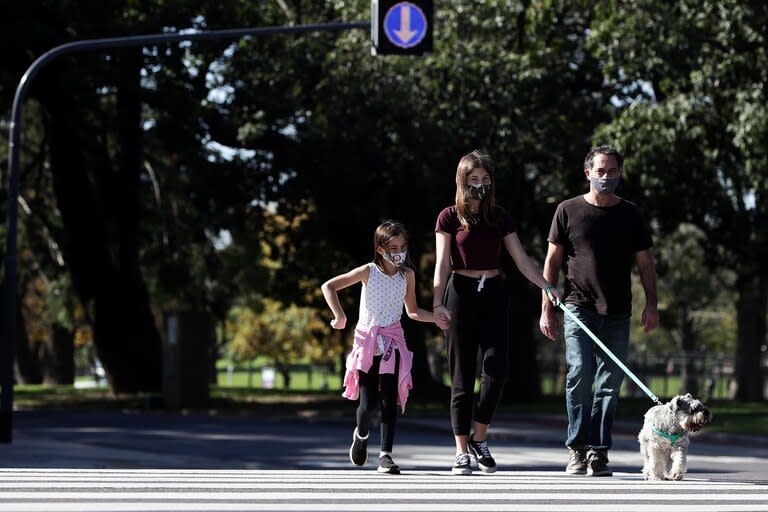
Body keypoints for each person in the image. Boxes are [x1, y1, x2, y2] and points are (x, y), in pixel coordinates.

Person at [433, 149, 560, 475]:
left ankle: (480, 437)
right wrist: (437, 304)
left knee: (497, 370)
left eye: (485, 180)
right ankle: (462, 451)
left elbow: (521, 260)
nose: (480, 185)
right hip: (460, 294)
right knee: (461, 377)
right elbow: (442, 263)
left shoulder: (500, 216)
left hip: (493, 293)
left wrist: (546, 286)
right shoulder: (449, 217)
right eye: (474, 179)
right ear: (462, 182)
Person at [539, 144, 659, 477]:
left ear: (620, 174)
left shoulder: (631, 214)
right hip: (577, 308)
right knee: (579, 375)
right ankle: (577, 448)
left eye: (613, 171)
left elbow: (646, 264)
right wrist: (546, 310)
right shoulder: (567, 210)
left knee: (609, 385)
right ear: (588, 172)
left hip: (618, 311)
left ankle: (598, 451)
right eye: (601, 171)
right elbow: (551, 263)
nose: (607, 177)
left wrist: (652, 303)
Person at [321, 220, 450, 474]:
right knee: (368, 405)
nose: (399, 251)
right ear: (380, 249)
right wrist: (340, 316)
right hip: (367, 343)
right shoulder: (368, 272)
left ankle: (385, 456)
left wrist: (436, 318)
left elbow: (412, 312)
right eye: (393, 247)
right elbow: (329, 286)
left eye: (402, 246)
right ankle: (361, 434)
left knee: (389, 402)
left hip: (392, 343)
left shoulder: (408, 276)